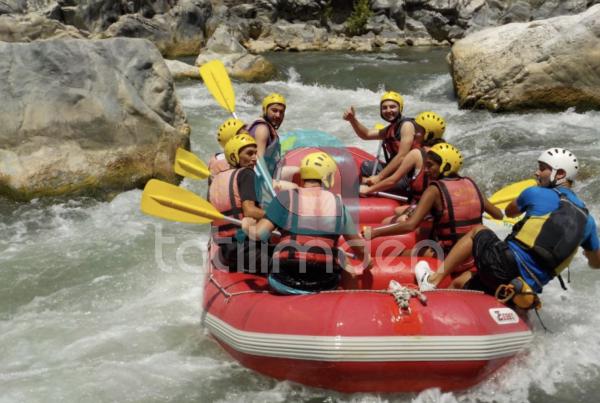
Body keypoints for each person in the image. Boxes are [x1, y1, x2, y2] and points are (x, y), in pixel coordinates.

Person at [415, 148, 600, 307]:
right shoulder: (589, 222)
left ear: (560, 174)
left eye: (542, 168)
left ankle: (432, 281)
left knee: (478, 230)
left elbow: (510, 212)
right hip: (527, 287)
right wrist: (586, 250)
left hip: (502, 266)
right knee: (463, 281)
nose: (536, 173)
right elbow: (596, 263)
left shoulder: (535, 193)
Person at [363, 143, 503, 288]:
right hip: (473, 257)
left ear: (446, 167)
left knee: (398, 255)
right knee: (425, 231)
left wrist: (375, 232)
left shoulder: (434, 190)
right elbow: (498, 215)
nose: (426, 170)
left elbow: (410, 225)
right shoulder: (471, 185)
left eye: (430, 165)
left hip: (448, 256)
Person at [242, 151, 369, 294]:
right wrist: (368, 262)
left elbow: (259, 234)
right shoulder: (339, 205)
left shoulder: (285, 198)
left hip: (284, 281)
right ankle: (351, 300)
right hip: (324, 283)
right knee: (341, 255)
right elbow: (359, 248)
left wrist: (247, 225)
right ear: (328, 177)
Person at [359, 111, 446, 222]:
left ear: (428, 134)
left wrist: (369, 190)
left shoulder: (416, 153)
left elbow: (393, 180)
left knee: (389, 219)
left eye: (417, 129)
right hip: (433, 205)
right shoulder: (444, 154)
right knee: (398, 211)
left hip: (423, 205)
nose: (414, 132)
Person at [208, 133, 268, 272]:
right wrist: (280, 218)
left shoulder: (217, 179)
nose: (255, 158)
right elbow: (249, 211)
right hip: (246, 249)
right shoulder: (246, 174)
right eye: (249, 153)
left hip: (226, 250)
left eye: (255, 153)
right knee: (293, 264)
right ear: (234, 156)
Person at [343, 91, 422, 195]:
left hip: (406, 176)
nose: (388, 110)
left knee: (358, 185)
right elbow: (366, 134)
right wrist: (352, 120)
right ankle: (366, 182)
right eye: (384, 108)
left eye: (392, 107)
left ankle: (368, 186)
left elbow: (402, 156)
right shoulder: (392, 127)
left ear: (400, 108)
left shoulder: (406, 126)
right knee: (366, 166)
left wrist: (379, 177)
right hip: (395, 170)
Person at [247, 93, 286, 177]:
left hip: (268, 171)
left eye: (281, 112)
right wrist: (268, 183)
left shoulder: (266, 127)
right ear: (265, 110)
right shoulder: (262, 130)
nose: (278, 115)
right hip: (257, 177)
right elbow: (258, 162)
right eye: (274, 110)